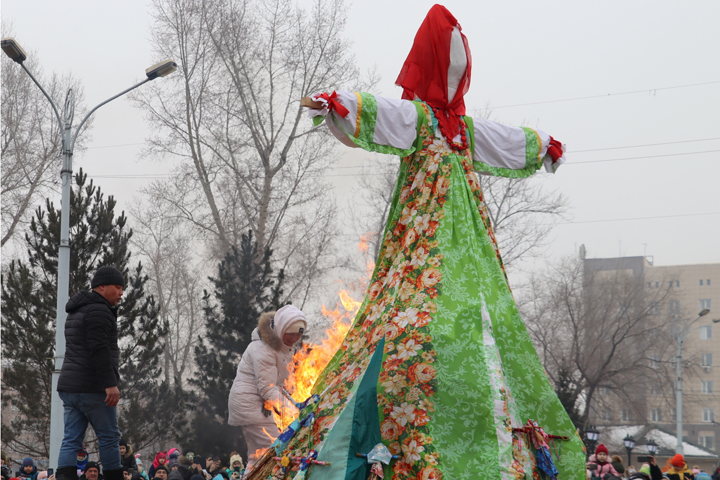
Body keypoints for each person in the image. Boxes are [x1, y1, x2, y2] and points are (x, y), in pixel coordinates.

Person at [281, 4, 581, 479]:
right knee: (413, 313)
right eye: (450, 61)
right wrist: (339, 104)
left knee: (474, 314)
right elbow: (379, 114)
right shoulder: (419, 120)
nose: (457, 72)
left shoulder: (463, 129)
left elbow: (503, 140)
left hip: (469, 241)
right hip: (423, 234)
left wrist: (541, 144)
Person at [56, 266, 126, 480]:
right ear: (102, 287)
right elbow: (99, 349)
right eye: (118, 287)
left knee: (71, 439)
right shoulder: (99, 310)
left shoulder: (77, 309)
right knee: (109, 438)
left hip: (70, 386)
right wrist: (110, 383)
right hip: (93, 388)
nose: (121, 293)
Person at [227, 305, 307, 468]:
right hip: (251, 404)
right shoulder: (263, 348)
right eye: (290, 333)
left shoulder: (286, 348)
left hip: (263, 405)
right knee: (275, 452)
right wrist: (294, 413)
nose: (294, 338)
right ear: (280, 329)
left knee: (257, 459)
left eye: (298, 334)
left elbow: (282, 383)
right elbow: (268, 388)